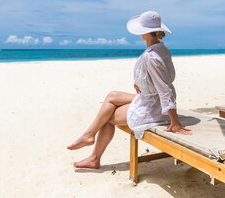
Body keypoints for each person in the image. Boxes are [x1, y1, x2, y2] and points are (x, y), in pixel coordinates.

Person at [67, 11, 190, 169]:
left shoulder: (150, 56)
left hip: (155, 106)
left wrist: (175, 122)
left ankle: (93, 153)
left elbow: (165, 88)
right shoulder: (162, 50)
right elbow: (164, 77)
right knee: (112, 96)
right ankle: (89, 137)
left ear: (145, 32)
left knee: (108, 116)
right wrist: (142, 82)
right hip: (151, 96)